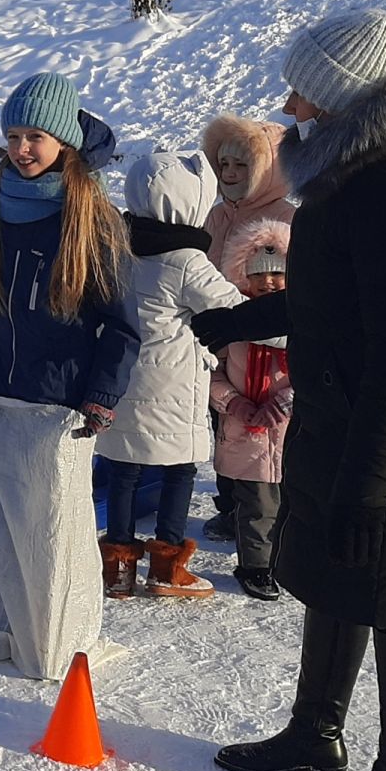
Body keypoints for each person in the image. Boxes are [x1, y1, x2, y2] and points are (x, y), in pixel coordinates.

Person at [196, 8, 386, 771]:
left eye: (306, 90)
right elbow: (326, 307)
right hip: (343, 412)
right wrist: (234, 326)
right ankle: (316, 732)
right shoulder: (352, 173)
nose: (290, 103)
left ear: (348, 96)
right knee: (328, 573)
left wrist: (370, 483)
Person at [0, 72, 139, 681]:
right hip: (3, 396)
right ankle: (9, 628)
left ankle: (60, 640)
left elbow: (122, 326)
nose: (21, 148)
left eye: (35, 135)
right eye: (12, 135)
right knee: (9, 529)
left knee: (53, 532)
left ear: (63, 140)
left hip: (61, 404)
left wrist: (100, 395)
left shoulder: (92, 218)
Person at [97, 150, 245, 601]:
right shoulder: (186, 261)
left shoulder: (120, 247)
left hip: (123, 380)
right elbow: (233, 308)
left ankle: (118, 569)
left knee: (124, 470)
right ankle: (168, 567)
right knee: (179, 470)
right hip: (174, 390)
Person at [199, 113, 295, 543]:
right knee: (225, 429)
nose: (231, 175)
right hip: (218, 343)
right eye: (224, 166)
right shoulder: (216, 216)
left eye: (242, 166)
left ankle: (274, 512)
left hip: (269, 347)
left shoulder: (289, 218)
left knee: (272, 438)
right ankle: (231, 504)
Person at [209, 217, 293, 601]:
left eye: (277, 273)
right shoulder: (234, 321)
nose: (269, 282)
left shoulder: (303, 320)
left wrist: (287, 399)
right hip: (247, 431)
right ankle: (256, 566)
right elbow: (213, 374)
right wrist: (234, 403)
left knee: (291, 501)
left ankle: (288, 560)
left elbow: (319, 368)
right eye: (258, 274)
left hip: (291, 428)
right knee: (257, 505)